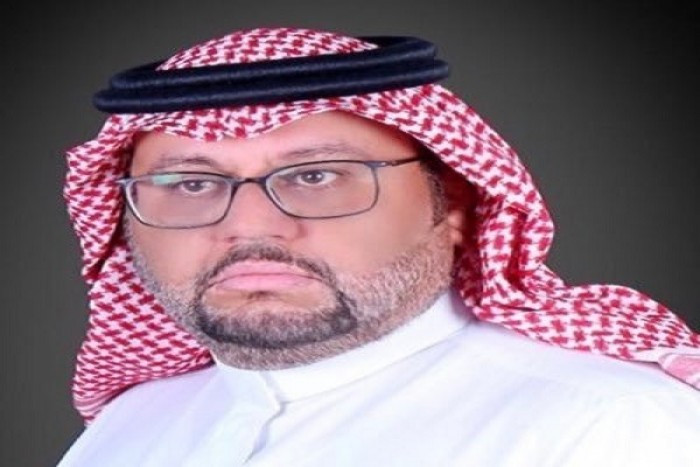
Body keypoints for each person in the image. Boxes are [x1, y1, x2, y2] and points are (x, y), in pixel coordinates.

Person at [58, 27, 699, 466]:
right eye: (190, 184)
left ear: (455, 205)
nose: (251, 226)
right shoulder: (130, 428)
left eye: (316, 176)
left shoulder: (612, 426)